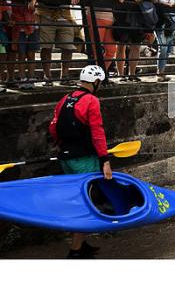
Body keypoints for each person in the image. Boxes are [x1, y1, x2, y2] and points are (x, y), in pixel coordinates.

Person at [49, 65, 112, 258]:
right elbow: (97, 132)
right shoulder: (91, 100)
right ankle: (75, 250)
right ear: (96, 82)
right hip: (84, 159)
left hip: (66, 158)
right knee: (87, 202)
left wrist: (61, 146)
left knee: (78, 198)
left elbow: (53, 126)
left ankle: (81, 244)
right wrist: (105, 160)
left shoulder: (66, 98)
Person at [32, 0, 90, 86]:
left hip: (64, 15)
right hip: (46, 14)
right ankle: (48, 76)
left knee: (68, 47)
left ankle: (65, 76)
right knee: (46, 47)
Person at [113, 0, 158, 82]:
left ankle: (132, 74)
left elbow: (152, 3)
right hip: (124, 18)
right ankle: (121, 75)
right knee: (121, 46)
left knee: (136, 47)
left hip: (140, 20)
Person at [84, 0, 124, 71]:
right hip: (96, 19)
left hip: (109, 21)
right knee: (96, 50)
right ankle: (96, 76)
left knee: (111, 51)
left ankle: (100, 74)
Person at [1, 0, 31, 88]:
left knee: (13, 50)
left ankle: (11, 78)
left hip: (17, 20)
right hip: (2, 19)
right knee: (1, 52)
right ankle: (1, 80)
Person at [11, 0, 41, 89]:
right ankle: (22, 77)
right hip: (20, 27)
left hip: (33, 26)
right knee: (21, 53)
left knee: (31, 53)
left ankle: (31, 77)